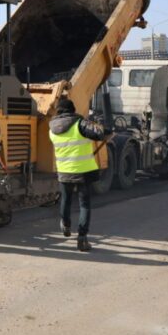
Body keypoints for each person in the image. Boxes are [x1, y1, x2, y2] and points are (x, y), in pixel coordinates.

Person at [48, 98, 106, 252]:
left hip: (64, 171)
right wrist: (99, 125)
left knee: (66, 200)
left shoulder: (52, 129)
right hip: (83, 172)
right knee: (84, 205)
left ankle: (66, 225)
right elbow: (99, 134)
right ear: (72, 110)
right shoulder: (80, 124)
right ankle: (82, 238)